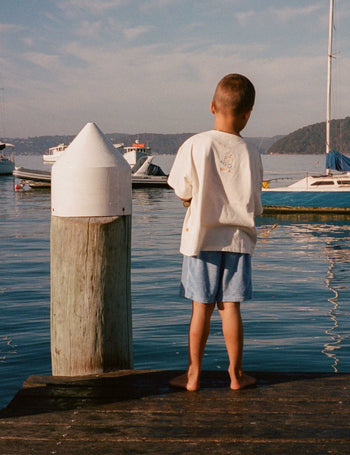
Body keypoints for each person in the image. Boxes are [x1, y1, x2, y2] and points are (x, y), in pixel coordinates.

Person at [167, 73, 263, 391]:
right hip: (237, 240)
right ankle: (236, 376)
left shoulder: (196, 144)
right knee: (231, 307)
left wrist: (190, 199)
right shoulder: (251, 151)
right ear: (248, 114)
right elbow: (254, 202)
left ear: (212, 106)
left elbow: (183, 189)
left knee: (201, 308)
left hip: (201, 238)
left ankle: (193, 376)